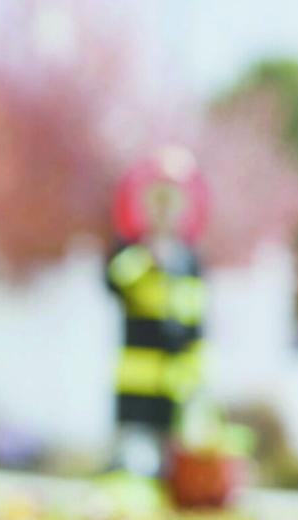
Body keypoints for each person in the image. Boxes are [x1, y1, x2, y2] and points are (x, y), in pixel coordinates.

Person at [106, 146, 208, 477]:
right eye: (157, 200)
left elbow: (195, 324)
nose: (164, 210)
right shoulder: (130, 252)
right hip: (137, 379)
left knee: (170, 465)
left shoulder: (189, 261)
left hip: (173, 383)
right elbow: (113, 283)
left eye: (171, 201)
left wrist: (195, 378)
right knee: (131, 460)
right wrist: (146, 257)